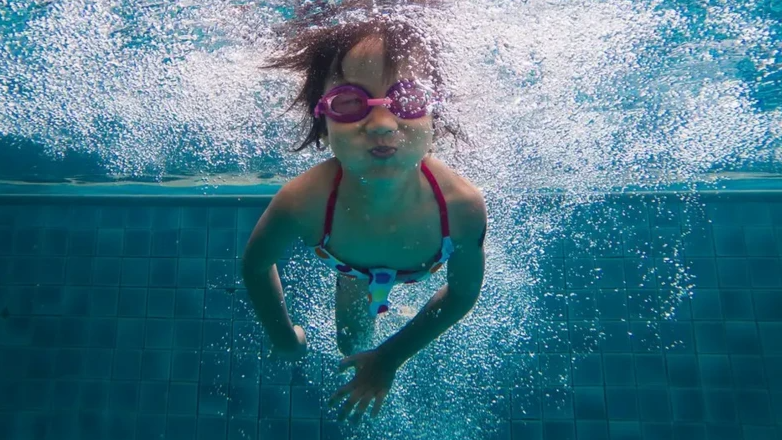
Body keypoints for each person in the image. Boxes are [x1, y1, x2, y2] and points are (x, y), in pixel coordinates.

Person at [242, 0, 487, 424]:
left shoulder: (461, 206)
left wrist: (390, 358)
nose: (382, 124)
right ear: (322, 118)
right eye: (350, 102)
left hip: (415, 264)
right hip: (352, 269)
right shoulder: (303, 201)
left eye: (406, 98)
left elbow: (462, 294)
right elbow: (254, 265)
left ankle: (393, 322)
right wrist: (282, 336)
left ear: (433, 111)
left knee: (372, 351)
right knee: (349, 344)